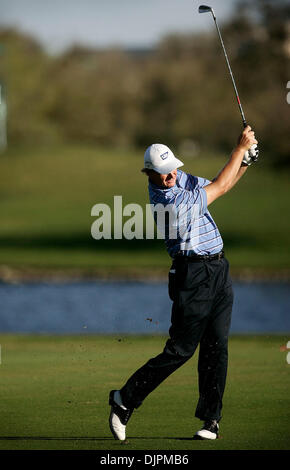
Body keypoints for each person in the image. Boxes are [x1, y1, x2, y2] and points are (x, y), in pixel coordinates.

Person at [108, 126, 258, 441]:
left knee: (217, 346)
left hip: (218, 270)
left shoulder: (181, 178)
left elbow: (225, 182)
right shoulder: (168, 204)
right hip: (193, 276)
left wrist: (244, 161)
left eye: (172, 169)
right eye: (162, 173)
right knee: (181, 349)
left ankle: (210, 420)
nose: (170, 176)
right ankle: (125, 399)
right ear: (149, 174)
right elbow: (218, 188)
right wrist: (239, 148)